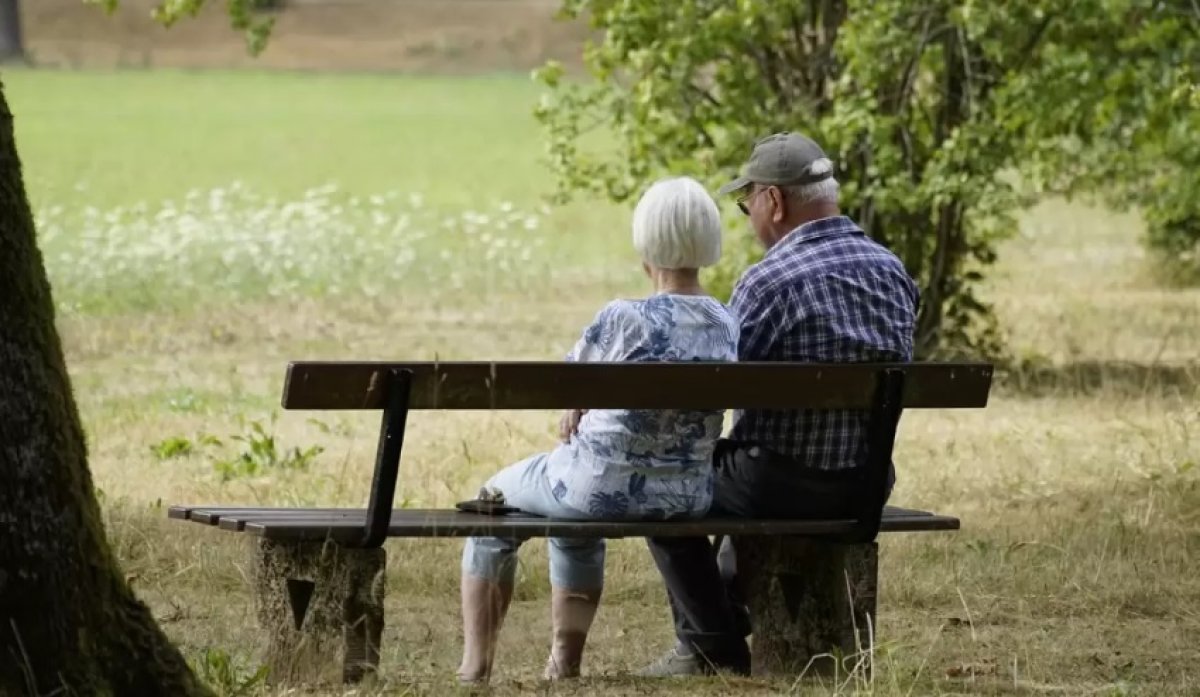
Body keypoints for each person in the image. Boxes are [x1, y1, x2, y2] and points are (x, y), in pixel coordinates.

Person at [639, 132, 920, 676]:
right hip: (865, 483)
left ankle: (710, 644)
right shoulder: (893, 272)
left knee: (662, 482)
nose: (749, 219)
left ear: (773, 200)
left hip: (779, 485)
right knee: (737, 468)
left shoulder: (767, 282)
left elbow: (716, 389)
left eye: (747, 206)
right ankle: (724, 616)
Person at [456, 176, 739, 684]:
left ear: (645, 243)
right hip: (685, 497)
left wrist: (577, 404)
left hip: (596, 488)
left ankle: (475, 667)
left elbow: (566, 384)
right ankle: (563, 663)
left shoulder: (622, 318)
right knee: (569, 515)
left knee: (491, 503)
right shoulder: (726, 322)